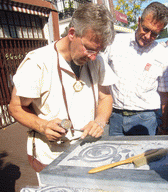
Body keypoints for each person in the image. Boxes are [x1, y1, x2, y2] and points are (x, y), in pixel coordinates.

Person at [8, 3, 116, 176]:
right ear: (72, 34)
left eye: (99, 50)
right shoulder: (38, 62)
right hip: (51, 157)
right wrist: (43, 126)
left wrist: (100, 121)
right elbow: (15, 107)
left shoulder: (98, 60)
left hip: (87, 151)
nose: (94, 57)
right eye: (89, 49)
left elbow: (105, 97)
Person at [106, 2, 168, 136]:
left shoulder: (162, 55)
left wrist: (165, 127)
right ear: (139, 21)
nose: (148, 36)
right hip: (116, 118)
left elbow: (165, 96)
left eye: (154, 34)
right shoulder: (115, 42)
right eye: (145, 29)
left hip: (145, 119)